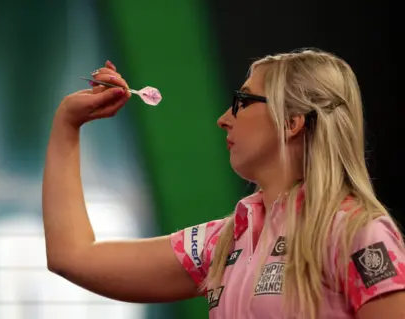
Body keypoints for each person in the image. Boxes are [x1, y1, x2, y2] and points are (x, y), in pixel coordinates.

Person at [42, 50, 405, 318]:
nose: (223, 119)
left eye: (243, 102)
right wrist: (67, 126)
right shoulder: (228, 241)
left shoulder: (356, 233)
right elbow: (73, 257)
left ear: (292, 122)